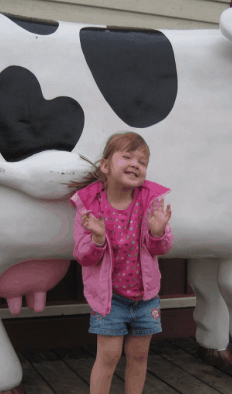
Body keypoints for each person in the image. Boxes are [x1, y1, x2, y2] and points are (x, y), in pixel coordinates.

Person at [69, 132, 173, 394]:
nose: (135, 164)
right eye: (127, 156)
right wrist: (97, 237)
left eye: (142, 161)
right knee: (109, 357)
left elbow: (161, 247)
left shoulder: (150, 202)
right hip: (109, 299)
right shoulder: (90, 206)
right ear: (105, 166)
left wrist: (158, 232)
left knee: (138, 356)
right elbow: (83, 256)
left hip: (146, 297)